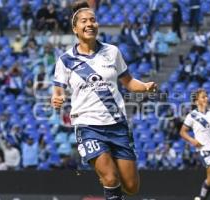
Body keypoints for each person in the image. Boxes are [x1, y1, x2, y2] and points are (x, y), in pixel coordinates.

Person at [51, 1, 157, 199]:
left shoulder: (112, 52)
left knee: (131, 186)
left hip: (117, 125)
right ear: (75, 28)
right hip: (88, 126)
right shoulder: (65, 60)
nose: (90, 24)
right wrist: (57, 99)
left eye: (93, 20)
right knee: (110, 178)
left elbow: (129, 82)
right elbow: (57, 92)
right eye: (84, 21)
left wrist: (144, 86)